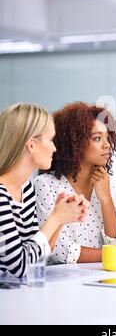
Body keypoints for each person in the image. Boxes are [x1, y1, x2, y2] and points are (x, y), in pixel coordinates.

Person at [34, 102, 116, 264]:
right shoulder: (45, 185)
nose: (107, 145)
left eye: (107, 137)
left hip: (103, 280)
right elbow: (61, 252)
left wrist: (106, 199)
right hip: (63, 285)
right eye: (97, 138)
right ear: (74, 143)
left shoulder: (105, 184)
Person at [0, 103, 88, 277]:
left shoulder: (26, 189)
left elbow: (39, 256)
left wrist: (61, 218)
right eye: (50, 140)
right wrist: (55, 218)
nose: (55, 148)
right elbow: (20, 267)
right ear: (31, 145)